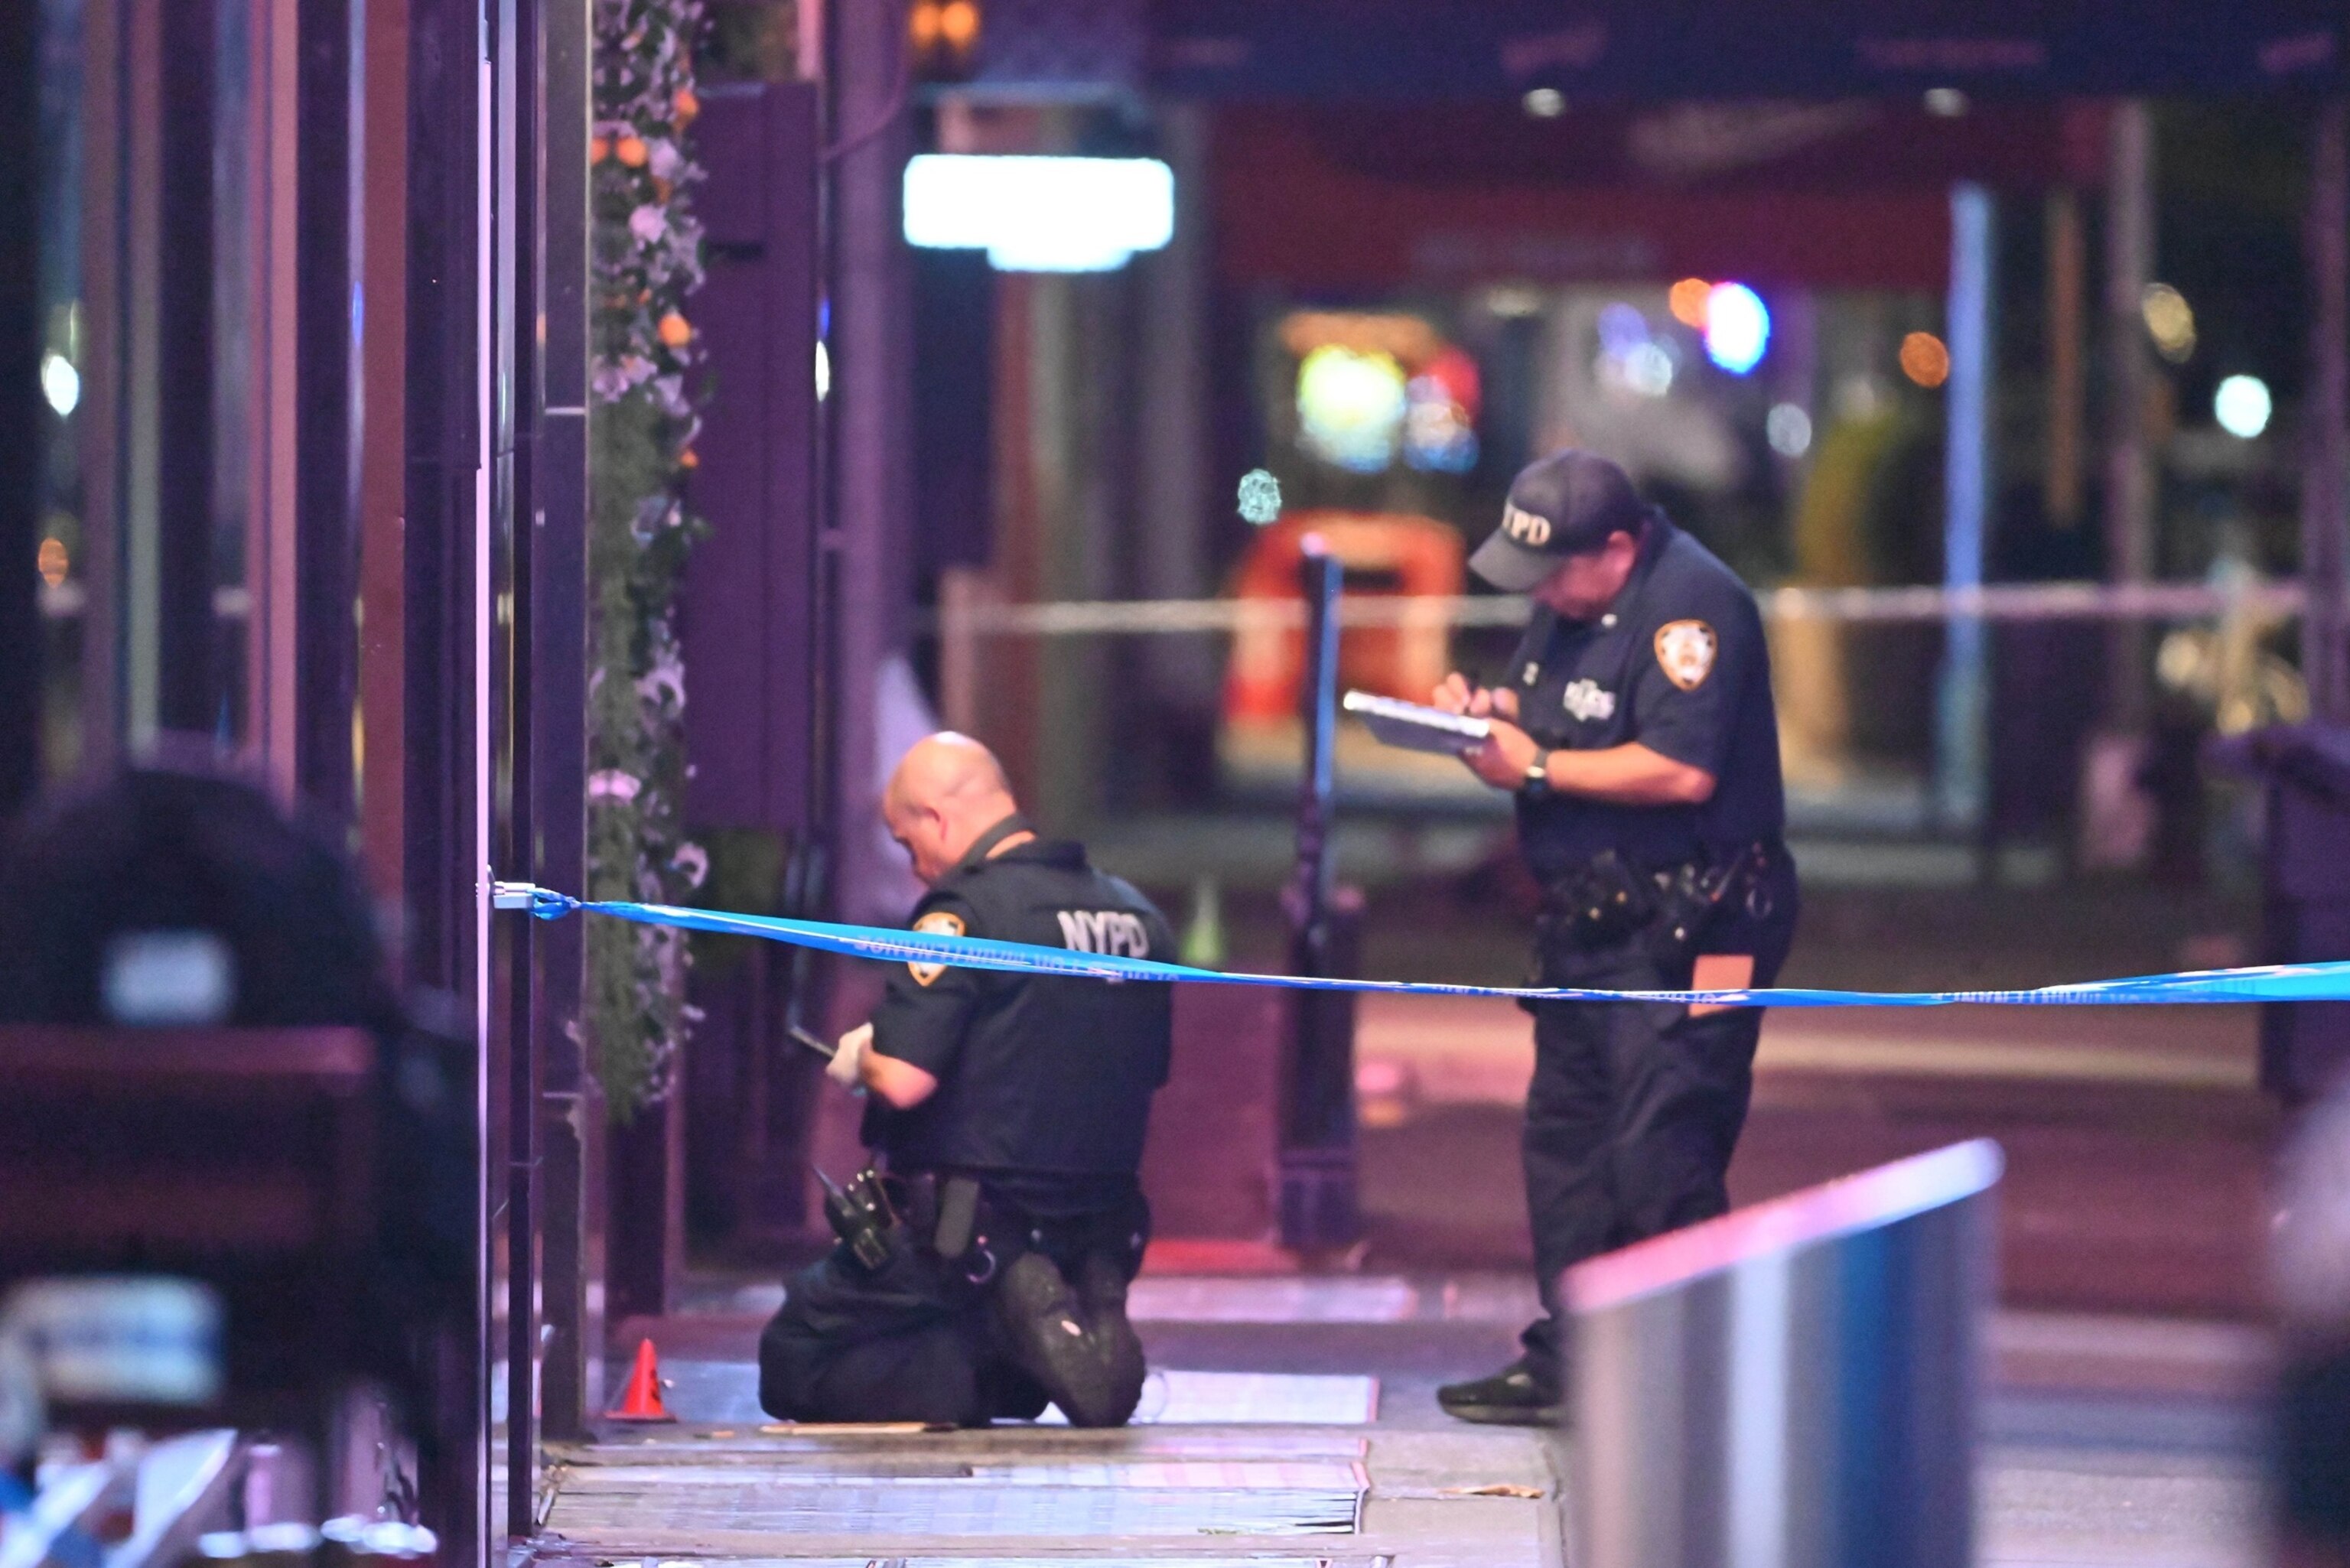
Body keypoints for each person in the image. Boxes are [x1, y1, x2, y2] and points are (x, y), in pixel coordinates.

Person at [1431, 449, 1798, 1426]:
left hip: (1699, 921)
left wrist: (1534, 769)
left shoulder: (1693, 608)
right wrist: (1488, 720)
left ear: (1620, 550)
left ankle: (1695, 1379)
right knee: (1568, 1144)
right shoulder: (1570, 604)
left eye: (1553, 572)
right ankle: (1576, 1359)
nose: (1540, 593)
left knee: (1662, 1150)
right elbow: (1558, 712)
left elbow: (1682, 769)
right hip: (1590, 920)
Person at [758, 733, 1175, 1428]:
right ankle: (1053, 1314)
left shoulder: (961, 916)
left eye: (908, 843)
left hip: (971, 1229)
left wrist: (863, 1057)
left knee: (796, 1356)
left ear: (937, 819)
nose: (916, 868)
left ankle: (1003, 1321)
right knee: (971, 1338)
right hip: (1102, 1220)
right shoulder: (1138, 916)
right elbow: (1149, 1073)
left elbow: (904, 1081)